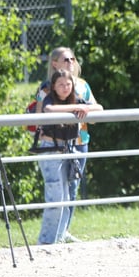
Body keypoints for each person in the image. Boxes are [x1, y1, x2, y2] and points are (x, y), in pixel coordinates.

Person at [36, 47, 98, 241]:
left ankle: (62, 233)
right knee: (57, 194)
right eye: (66, 59)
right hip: (55, 143)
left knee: (72, 191)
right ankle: (49, 239)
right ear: (55, 63)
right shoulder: (47, 87)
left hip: (79, 142)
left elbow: (96, 114)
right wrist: (77, 108)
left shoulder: (82, 85)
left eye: (73, 58)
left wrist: (85, 109)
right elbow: (43, 114)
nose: (71, 62)